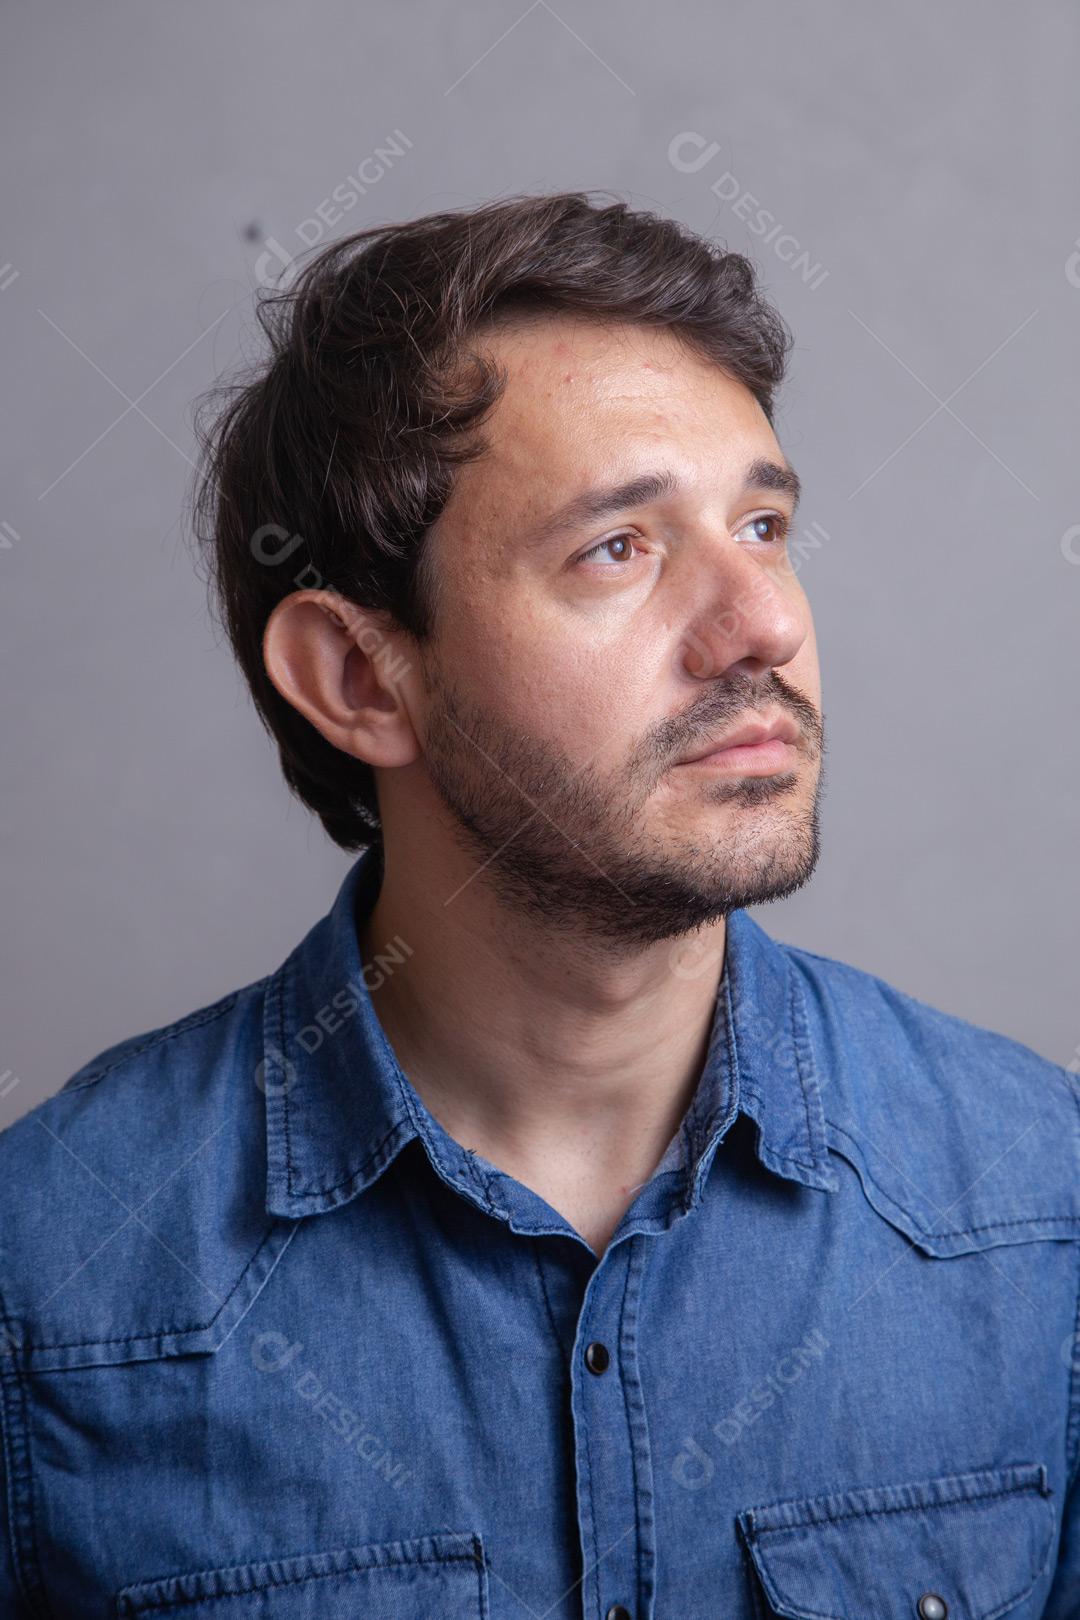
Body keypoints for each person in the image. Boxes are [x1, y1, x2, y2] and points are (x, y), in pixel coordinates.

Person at [1, 191, 1077, 1619]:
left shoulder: (1044, 1208)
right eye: (617, 549)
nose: (765, 623)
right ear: (361, 678)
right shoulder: (45, 1279)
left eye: (763, 524)